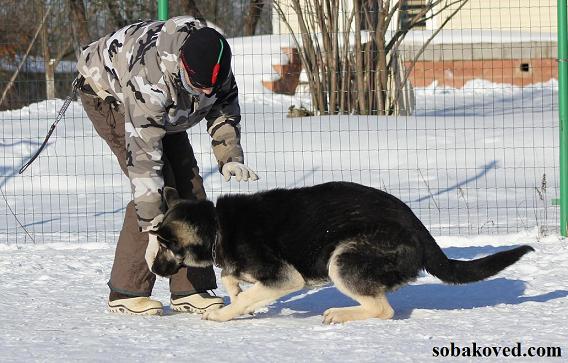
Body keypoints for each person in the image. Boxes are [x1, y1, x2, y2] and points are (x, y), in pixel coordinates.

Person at [75, 16, 258, 315]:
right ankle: (126, 291)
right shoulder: (150, 78)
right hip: (110, 95)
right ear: (184, 68)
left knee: (191, 190)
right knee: (159, 193)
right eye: (201, 86)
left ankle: (191, 288)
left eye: (212, 86)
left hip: (167, 108)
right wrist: (152, 231)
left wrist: (229, 158)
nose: (208, 93)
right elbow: (144, 166)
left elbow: (224, 108)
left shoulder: (215, 61)